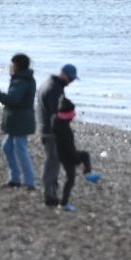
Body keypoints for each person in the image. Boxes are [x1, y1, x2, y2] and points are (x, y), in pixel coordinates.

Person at [0, 53, 37, 190]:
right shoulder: (22, 79)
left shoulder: (22, 80)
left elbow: (13, 99)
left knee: (21, 149)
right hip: (18, 120)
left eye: (13, 64)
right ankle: (15, 178)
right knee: (7, 146)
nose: (11, 66)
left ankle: (30, 182)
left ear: (17, 66)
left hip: (21, 120)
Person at [39, 64, 79, 209]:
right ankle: (50, 196)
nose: (71, 81)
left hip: (46, 129)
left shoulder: (49, 83)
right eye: (70, 78)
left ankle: (51, 193)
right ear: (63, 74)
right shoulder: (54, 88)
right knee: (53, 163)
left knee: (53, 162)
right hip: (51, 132)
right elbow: (55, 112)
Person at [52, 98, 101, 211]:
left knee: (72, 176)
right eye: (71, 114)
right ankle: (64, 203)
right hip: (67, 155)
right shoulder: (64, 128)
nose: (73, 116)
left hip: (62, 153)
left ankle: (87, 174)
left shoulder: (56, 121)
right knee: (72, 177)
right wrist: (77, 162)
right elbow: (69, 148)